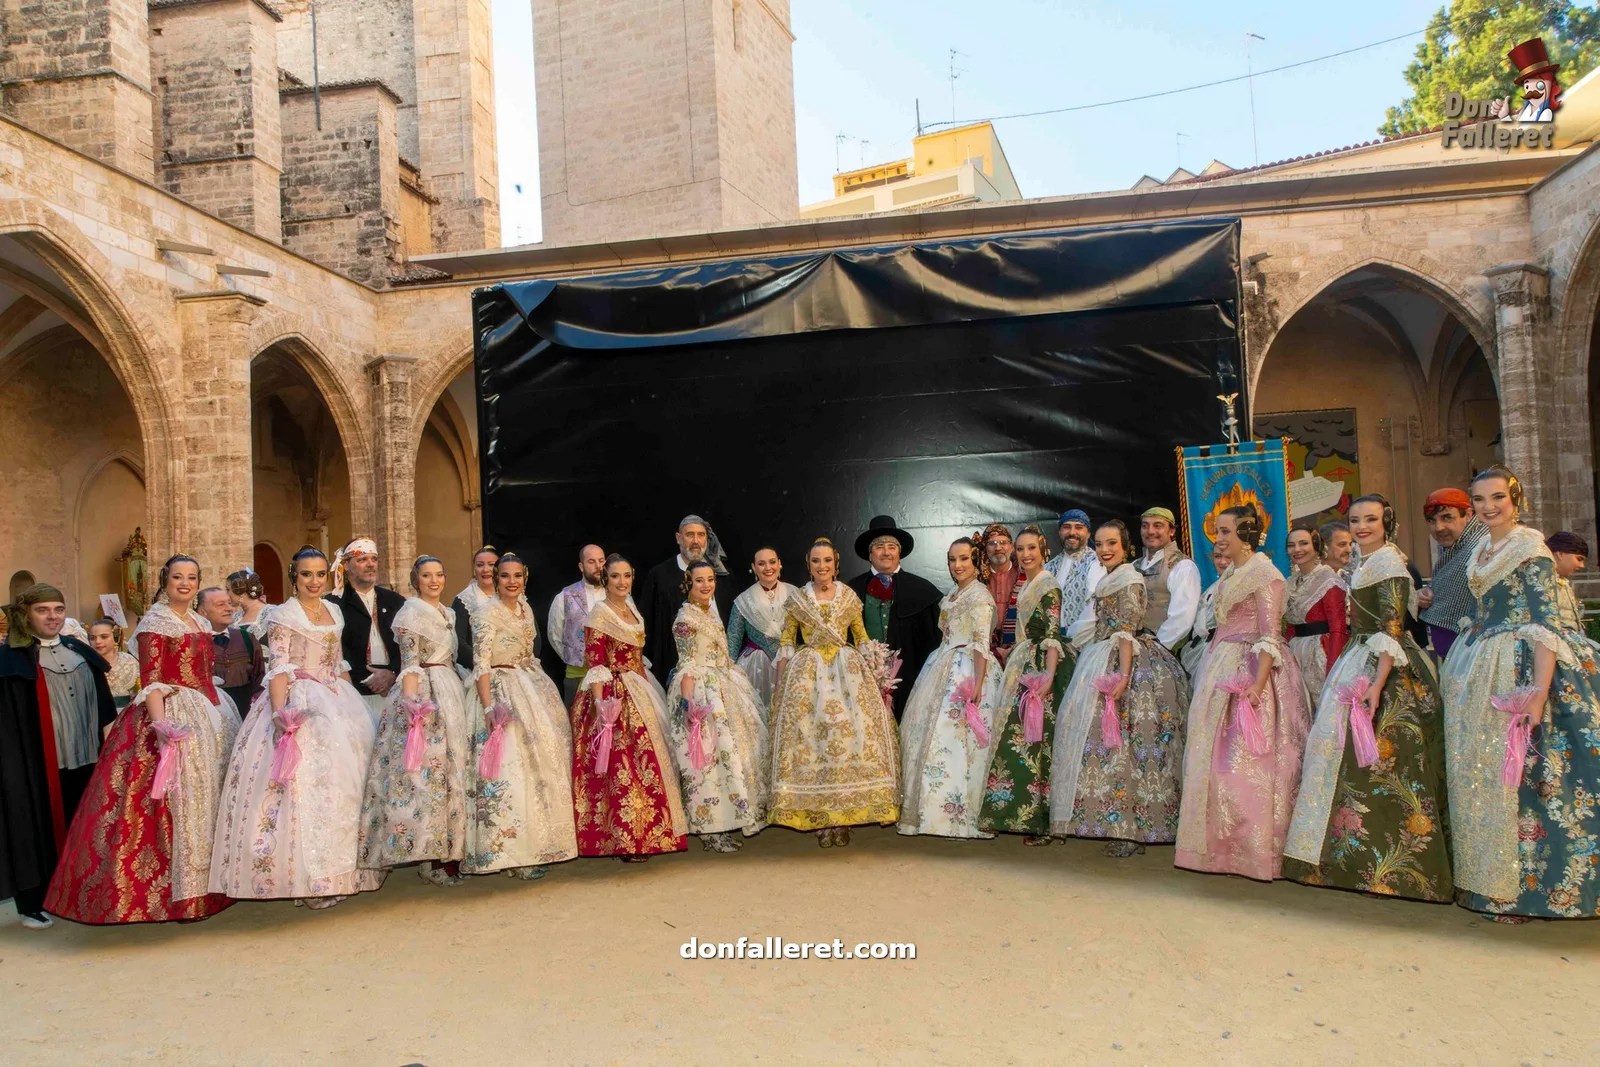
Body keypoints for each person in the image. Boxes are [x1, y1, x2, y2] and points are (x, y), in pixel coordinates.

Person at [1441, 466, 1600, 921]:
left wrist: (1538, 691)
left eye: (1498, 497)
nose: (1488, 507)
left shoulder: (1531, 547)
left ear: (1516, 500)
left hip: (1523, 665)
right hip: (1481, 664)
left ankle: (1527, 892)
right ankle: (1485, 882)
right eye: (1479, 499)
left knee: (1528, 776)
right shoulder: (1481, 550)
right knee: (1482, 774)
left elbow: (1545, 623)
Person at [45, 556, 240, 924]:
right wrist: (163, 729)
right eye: (178, 577)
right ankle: (182, 897)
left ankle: (214, 886)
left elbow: (205, 672)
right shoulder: (154, 622)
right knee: (176, 803)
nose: (185, 583)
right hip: (170, 713)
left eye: (191, 577)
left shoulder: (199, 620)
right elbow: (152, 680)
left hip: (210, 713)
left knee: (210, 798)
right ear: (165, 581)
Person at [1283, 495, 1453, 901]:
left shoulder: (1389, 565)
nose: (1361, 527)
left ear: (1386, 523)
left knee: (1385, 763)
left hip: (1385, 669)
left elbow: (1392, 630)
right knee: (1345, 759)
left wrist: (1376, 685)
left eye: (1371, 520)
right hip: (1358, 657)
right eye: (1356, 520)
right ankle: (1354, 861)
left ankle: (1393, 868)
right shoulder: (1364, 562)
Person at [210, 547, 385, 907]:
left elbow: (339, 663)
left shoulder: (335, 610)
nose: (314, 581)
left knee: (347, 786)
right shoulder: (282, 614)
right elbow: (279, 667)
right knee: (306, 788)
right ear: (294, 577)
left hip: (337, 698)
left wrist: (353, 704)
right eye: (307, 574)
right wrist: (280, 714)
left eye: (320, 574)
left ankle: (345, 872)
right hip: (299, 698)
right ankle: (307, 879)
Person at [1174, 506, 1311, 882]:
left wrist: (1257, 686)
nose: (1218, 539)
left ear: (1245, 535)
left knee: (1246, 764)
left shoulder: (1266, 575)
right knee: (1213, 760)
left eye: (1225, 532)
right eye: (1217, 532)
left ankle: (1252, 851)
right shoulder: (1233, 572)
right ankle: (1217, 849)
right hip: (1221, 666)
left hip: (1252, 671)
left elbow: (1270, 634)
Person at [1051, 521, 1191, 855]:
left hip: (1126, 664)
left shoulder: (1129, 578)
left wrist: (1124, 677)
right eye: (1100, 544)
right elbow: (1094, 626)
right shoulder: (1110, 578)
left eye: (1111, 543)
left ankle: (1131, 830)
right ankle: (1116, 824)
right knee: (1107, 749)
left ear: (1125, 546)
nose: (1105, 550)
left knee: (1128, 748)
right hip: (1103, 656)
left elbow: (1126, 631)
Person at [769, 538, 900, 847]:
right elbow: (787, 641)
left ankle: (843, 819)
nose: (822, 566)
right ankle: (819, 817)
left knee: (849, 741)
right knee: (813, 743)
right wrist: (781, 685)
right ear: (808, 564)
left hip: (847, 674)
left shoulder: (849, 596)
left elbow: (861, 636)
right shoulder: (798, 599)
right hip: (808, 675)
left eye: (827, 560)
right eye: (816, 561)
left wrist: (876, 669)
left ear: (835, 563)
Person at [1, 584, 116, 929]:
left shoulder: (78, 650)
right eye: (43, 610)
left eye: (58, 609)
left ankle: (76, 892)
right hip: (37, 764)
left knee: (82, 825)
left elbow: (104, 707)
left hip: (85, 757)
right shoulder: (12, 660)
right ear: (26, 614)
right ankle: (33, 903)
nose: (52, 617)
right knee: (34, 827)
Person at [464, 552, 578, 878]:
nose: (511, 581)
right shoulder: (485, 613)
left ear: (524, 578)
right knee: (509, 771)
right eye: (504, 576)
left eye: (517, 575)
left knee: (542, 767)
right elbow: (481, 664)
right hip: (501, 692)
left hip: (531, 686)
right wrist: (489, 707)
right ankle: (509, 853)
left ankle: (536, 847)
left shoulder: (526, 608)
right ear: (495, 579)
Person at [358, 555, 470, 886]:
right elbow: (409, 663)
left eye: (439, 574)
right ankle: (428, 857)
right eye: (426, 575)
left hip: (450, 688)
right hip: (425, 693)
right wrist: (411, 707)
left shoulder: (448, 613)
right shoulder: (410, 613)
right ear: (415, 580)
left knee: (452, 772)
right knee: (426, 775)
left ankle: (449, 851)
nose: (434, 581)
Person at [570, 554, 688, 859]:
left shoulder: (632, 609)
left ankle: (650, 834)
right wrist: (602, 708)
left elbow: (636, 657)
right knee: (620, 767)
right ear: (605, 579)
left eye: (627, 576)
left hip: (638, 687)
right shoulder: (599, 614)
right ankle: (624, 838)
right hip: (611, 693)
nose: (622, 582)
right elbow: (596, 664)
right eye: (615, 577)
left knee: (648, 763)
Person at [897, 536, 1002, 839]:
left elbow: (981, 643)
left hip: (969, 670)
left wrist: (978, 685)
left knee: (964, 743)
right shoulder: (952, 595)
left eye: (964, 559)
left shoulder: (979, 596)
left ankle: (966, 816)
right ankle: (932, 814)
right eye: (952, 560)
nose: (957, 565)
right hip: (942, 665)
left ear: (976, 561)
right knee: (932, 737)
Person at [666, 561, 770, 852]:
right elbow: (687, 665)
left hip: (723, 684)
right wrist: (689, 705)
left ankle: (728, 821)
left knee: (730, 758)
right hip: (702, 690)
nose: (706, 585)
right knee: (708, 762)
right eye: (699, 580)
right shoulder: (685, 619)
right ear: (689, 583)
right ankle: (710, 830)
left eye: (710, 579)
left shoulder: (707, 612)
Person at [978, 525, 1073, 844]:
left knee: (1038, 742)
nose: (1025, 554)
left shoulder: (1048, 585)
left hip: (1040, 667)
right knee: (1019, 742)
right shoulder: (1028, 583)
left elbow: (1052, 635)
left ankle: (1043, 822)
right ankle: (1018, 815)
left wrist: (1047, 677)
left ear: (1043, 550)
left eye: (1031, 548)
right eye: (1020, 549)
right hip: (1023, 661)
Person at [846, 515, 942, 720]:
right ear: (870, 554)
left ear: (899, 552)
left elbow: (933, 644)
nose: (886, 552)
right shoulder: (848, 591)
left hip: (910, 682)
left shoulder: (924, 592)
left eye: (892, 546)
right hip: (861, 680)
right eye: (879, 546)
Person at [638, 515, 735, 685]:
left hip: (720, 672)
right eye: (690, 535)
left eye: (701, 535)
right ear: (678, 538)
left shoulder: (724, 576)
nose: (696, 541)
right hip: (675, 669)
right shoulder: (660, 576)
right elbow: (647, 624)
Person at [330, 536, 405, 717]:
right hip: (353, 695)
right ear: (346, 565)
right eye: (362, 559)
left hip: (394, 692)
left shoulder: (395, 601)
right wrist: (369, 678)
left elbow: (407, 644)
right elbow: (334, 652)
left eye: (374, 559)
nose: (370, 564)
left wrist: (392, 673)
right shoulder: (333, 604)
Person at [1416, 488, 1486, 659]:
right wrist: (1428, 591)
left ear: (1468, 514)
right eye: (1432, 520)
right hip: (1456, 656)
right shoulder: (1458, 543)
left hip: (1473, 655)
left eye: (1447, 517)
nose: (1438, 527)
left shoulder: (1481, 545)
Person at [725, 546, 797, 711]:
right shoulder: (743, 600)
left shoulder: (795, 593)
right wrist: (727, 673)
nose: (768, 568)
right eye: (761, 563)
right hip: (756, 667)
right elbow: (733, 639)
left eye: (772, 562)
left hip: (791, 661)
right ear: (754, 567)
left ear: (779, 564)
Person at [1284, 525, 1349, 699]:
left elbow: (1338, 629)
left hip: (1320, 653)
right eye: (1291, 545)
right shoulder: (1291, 582)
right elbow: (1290, 626)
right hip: (1294, 654)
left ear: (1316, 546)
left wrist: (1333, 668)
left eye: (1303, 543)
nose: (1297, 549)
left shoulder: (1329, 580)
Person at [1133, 507, 1201, 657]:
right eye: (1145, 526)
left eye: (1157, 526)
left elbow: (1182, 619)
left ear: (1171, 531)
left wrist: (1156, 648)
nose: (1150, 531)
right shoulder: (1133, 566)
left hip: (1164, 653)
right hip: (1132, 650)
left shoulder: (1182, 566)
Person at [549, 544, 608, 705]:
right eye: (591, 561)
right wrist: (574, 657)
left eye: (601, 561)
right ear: (581, 566)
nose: (598, 566)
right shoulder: (565, 596)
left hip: (610, 676)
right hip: (577, 675)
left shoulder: (616, 594)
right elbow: (554, 635)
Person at [1045, 509, 1106, 648]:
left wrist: (1070, 642)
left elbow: (1092, 612)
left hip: (1084, 643)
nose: (1072, 532)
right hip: (1051, 644)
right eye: (1066, 527)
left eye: (1079, 527)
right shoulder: (1049, 567)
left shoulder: (1096, 563)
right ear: (1059, 532)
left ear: (1088, 533)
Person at [198, 585, 263, 712]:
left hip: (246, 714)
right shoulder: (194, 643)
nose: (229, 609)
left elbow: (260, 679)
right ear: (202, 612)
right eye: (220, 605)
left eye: (229, 603)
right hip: (211, 714)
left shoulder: (247, 638)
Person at [1180, 544, 1232, 680]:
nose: (1222, 562)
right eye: (1218, 556)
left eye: (1228, 557)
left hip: (1227, 657)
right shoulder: (1212, 588)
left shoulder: (1242, 587)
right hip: (1203, 651)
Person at [451, 545, 500, 678]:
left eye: (491, 564)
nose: (485, 569)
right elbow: (458, 641)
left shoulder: (509, 596)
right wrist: (484, 665)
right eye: (480, 565)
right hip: (477, 669)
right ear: (474, 569)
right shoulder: (463, 600)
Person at [1546, 531, 1596, 654]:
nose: (1582, 565)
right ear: (1560, 554)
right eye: (1579, 559)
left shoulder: (1563, 582)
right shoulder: (1542, 582)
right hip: (1554, 646)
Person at [983, 524, 1021, 659]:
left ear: (1011, 547)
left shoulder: (1023, 575)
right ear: (985, 548)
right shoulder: (978, 578)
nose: (998, 548)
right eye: (992, 543)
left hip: (1018, 647)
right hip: (985, 649)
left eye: (1003, 542)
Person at [86, 617, 139, 710]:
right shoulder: (84, 664)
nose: (98, 641)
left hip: (126, 714)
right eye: (92, 638)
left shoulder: (129, 661)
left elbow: (140, 693)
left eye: (104, 637)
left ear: (115, 637)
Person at [227, 568, 272, 632]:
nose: (226, 594)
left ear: (241, 592)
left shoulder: (271, 613)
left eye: (228, 590)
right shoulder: (235, 617)